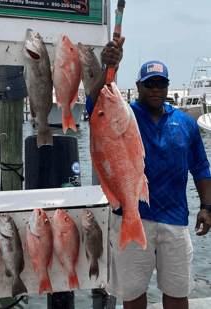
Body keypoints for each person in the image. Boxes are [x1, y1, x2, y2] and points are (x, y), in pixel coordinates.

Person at [86, 37, 211, 309]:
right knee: (132, 294)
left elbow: (201, 167)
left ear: (167, 87)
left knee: (177, 292)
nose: (156, 89)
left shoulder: (186, 123)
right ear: (138, 86)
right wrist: (109, 68)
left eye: (161, 83)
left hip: (175, 219)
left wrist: (206, 206)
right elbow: (93, 106)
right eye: (150, 83)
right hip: (131, 215)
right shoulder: (125, 114)